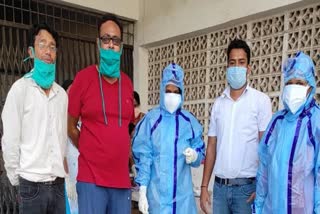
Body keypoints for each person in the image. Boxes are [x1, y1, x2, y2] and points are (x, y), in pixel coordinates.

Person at [67, 13, 134, 214]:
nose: (111, 45)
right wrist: (89, 149)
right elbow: (70, 126)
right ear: (98, 43)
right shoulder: (83, 79)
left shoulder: (127, 83)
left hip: (121, 180)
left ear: (121, 46)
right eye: (106, 39)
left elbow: (126, 128)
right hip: (91, 179)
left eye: (115, 40)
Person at [200, 39, 272, 214]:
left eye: (241, 62)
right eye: (232, 63)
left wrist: (262, 187)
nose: (236, 67)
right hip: (220, 189)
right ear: (227, 67)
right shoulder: (218, 104)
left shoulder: (260, 101)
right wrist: (203, 186)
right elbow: (211, 147)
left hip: (247, 190)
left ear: (248, 67)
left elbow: (266, 147)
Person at [1, 23, 68, 214]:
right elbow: (10, 138)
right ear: (31, 51)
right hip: (31, 186)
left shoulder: (61, 95)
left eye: (52, 47)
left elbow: (62, 138)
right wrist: (17, 178)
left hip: (57, 186)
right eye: (42, 44)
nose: (48, 51)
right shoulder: (20, 89)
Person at [133, 63, 205, 214]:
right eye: (168, 90)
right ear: (161, 90)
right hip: (156, 197)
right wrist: (142, 191)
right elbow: (144, 157)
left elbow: (200, 149)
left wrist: (195, 155)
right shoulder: (151, 121)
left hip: (182, 201)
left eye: (176, 91)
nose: (172, 95)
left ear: (182, 92)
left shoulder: (189, 122)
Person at [255, 52, 320, 214]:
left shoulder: (316, 121)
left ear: (310, 86)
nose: (293, 87)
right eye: (290, 82)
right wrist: (258, 206)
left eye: (299, 83)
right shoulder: (277, 121)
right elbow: (264, 168)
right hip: (272, 209)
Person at [62, 79, 79, 214]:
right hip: (68, 174)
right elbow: (60, 150)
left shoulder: (83, 117)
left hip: (84, 175)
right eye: (70, 90)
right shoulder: (60, 118)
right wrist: (67, 178)